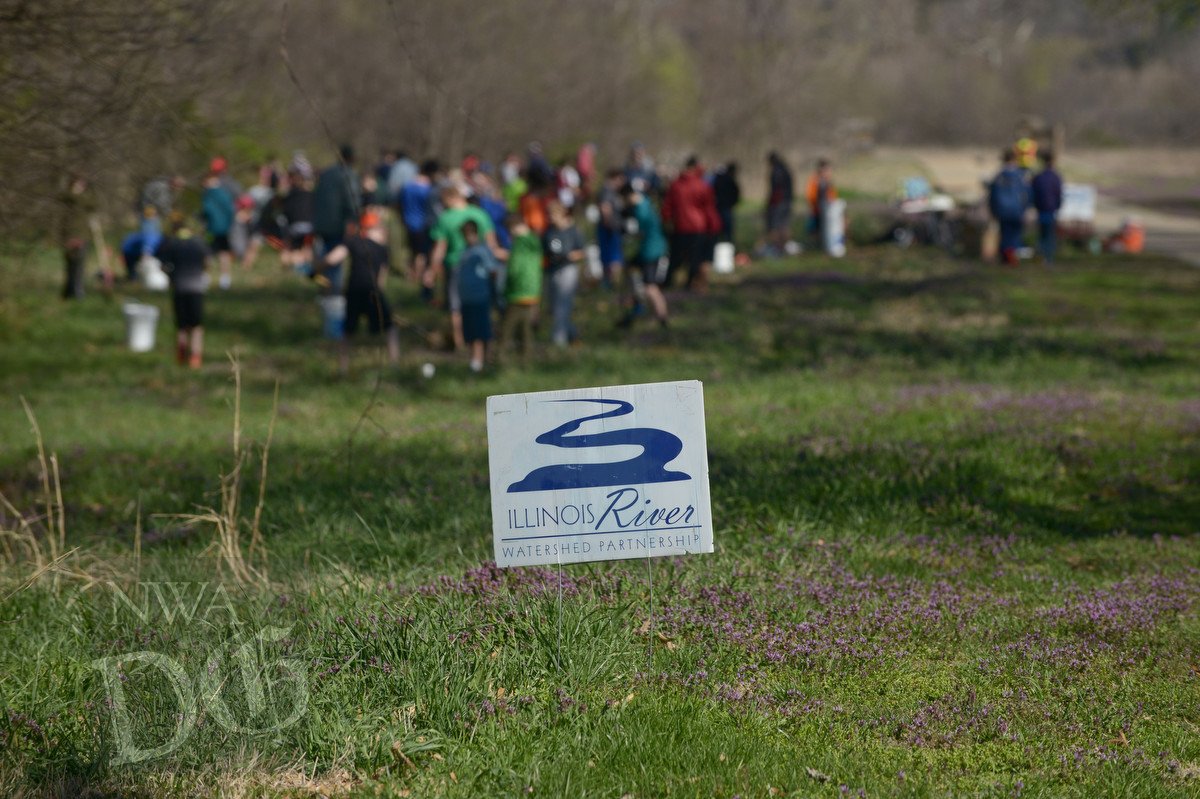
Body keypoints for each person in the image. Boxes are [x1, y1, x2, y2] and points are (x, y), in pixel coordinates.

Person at [323, 211, 400, 374]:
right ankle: (394, 364)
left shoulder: (353, 242)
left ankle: (342, 368)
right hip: (373, 292)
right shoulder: (382, 249)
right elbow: (381, 279)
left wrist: (316, 268)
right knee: (390, 328)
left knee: (348, 330)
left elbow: (332, 259)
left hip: (354, 290)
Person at [428, 185, 502, 351]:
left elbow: (440, 248)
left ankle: (461, 341)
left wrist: (432, 270)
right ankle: (484, 342)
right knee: (483, 304)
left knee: (456, 307)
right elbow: (492, 243)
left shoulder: (445, 218)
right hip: (482, 267)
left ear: (449, 198)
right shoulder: (480, 214)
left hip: (456, 266)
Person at [662, 156, 721, 291]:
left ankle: (668, 282)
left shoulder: (676, 185)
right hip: (698, 227)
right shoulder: (702, 185)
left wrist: (667, 221)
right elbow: (709, 209)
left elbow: (667, 206)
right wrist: (713, 226)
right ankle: (689, 284)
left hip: (680, 226)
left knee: (675, 257)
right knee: (695, 258)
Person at [155, 222, 209, 369]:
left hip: (179, 288)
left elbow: (162, 265)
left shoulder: (172, 244)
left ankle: (181, 355)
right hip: (197, 289)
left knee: (181, 325)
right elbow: (206, 263)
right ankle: (195, 357)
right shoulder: (199, 244)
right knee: (196, 325)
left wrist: (171, 276)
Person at [617, 183, 670, 331]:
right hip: (646, 250)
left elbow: (639, 232)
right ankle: (635, 310)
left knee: (650, 287)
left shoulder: (640, 210)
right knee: (633, 279)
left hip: (651, 252)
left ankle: (662, 317)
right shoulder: (644, 202)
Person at [312, 144, 360, 293]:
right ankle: (333, 290)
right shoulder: (348, 174)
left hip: (320, 222)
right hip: (338, 224)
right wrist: (354, 220)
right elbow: (352, 201)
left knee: (324, 254)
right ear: (351, 158)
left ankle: (323, 286)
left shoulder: (326, 173)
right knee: (335, 258)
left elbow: (316, 196)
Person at [457, 220, 502, 372]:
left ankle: (482, 361)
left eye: (468, 235)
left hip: (480, 297)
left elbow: (493, 271)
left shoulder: (483, 250)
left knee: (481, 330)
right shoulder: (464, 251)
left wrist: (494, 291)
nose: (466, 238)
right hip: (466, 297)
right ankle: (473, 360)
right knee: (469, 332)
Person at [500, 216, 542, 364]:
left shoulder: (524, 242)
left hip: (522, 291)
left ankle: (503, 359)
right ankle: (523, 359)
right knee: (522, 330)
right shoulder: (525, 243)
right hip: (523, 291)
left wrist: (524, 231)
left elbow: (515, 269)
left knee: (509, 329)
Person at [542, 201, 585, 348]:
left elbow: (581, 251)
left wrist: (570, 256)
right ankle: (573, 333)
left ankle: (559, 341)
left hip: (567, 269)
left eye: (552, 215)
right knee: (554, 307)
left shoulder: (573, 231)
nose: (550, 218)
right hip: (553, 270)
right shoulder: (549, 232)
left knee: (563, 306)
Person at [398, 159, 439, 300]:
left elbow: (400, 203)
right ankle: (418, 276)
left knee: (412, 250)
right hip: (422, 223)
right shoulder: (428, 189)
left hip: (408, 221)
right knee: (422, 252)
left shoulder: (408, 186)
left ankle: (410, 275)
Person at [988, 148, 1030, 266]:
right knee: (1015, 235)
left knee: (1005, 234)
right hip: (1017, 210)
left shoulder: (999, 177)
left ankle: (1006, 257)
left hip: (1002, 210)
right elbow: (1027, 194)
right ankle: (1011, 257)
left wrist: (993, 210)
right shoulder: (1021, 176)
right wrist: (1026, 209)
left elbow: (993, 195)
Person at [59, 174, 95, 300]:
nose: (80, 187)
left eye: (82, 185)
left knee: (79, 266)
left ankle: (77, 292)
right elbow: (67, 197)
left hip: (82, 237)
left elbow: (94, 204)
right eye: (78, 184)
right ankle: (68, 292)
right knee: (70, 266)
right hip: (69, 236)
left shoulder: (85, 200)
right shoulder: (68, 199)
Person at [200, 169, 235, 289]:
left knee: (207, 252)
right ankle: (225, 279)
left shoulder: (208, 195)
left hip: (211, 229)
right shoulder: (224, 194)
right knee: (224, 253)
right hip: (224, 229)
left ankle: (206, 277)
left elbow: (206, 211)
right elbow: (231, 211)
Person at [1030, 151, 1063, 264]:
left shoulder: (1038, 177)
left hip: (1041, 210)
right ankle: (1048, 258)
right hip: (1051, 209)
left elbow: (1033, 193)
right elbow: (1058, 193)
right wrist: (1058, 206)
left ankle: (1042, 256)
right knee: (1049, 235)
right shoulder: (1055, 177)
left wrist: (1035, 205)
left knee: (1042, 234)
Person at [596, 169, 627, 288]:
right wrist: (609, 224)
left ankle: (610, 283)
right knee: (613, 259)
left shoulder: (610, 191)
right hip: (609, 230)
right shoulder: (607, 191)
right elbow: (605, 208)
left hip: (611, 229)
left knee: (612, 258)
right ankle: (612, 284)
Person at [764, 151, 794, 255]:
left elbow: (776, 190)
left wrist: (770, 204)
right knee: (784, 225)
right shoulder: (785, 169)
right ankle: (784, 247)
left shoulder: (777, 171)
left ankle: (778, 248)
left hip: (779, 203)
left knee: (776, 226)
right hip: (787, 201)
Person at [805, 158, 837, 246]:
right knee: (814, 230)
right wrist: (815, 206)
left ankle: (823, 246)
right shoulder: (815, 181)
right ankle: (814, 247)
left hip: (827, 211)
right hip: (817, 211)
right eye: (827, 170)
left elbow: (832, 196)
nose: (829, 172)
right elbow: (810, 196)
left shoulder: (828, 182)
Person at [712, 162, 741, 244]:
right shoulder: (729, 180)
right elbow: (735, 192)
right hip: (725, 207)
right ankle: (727, 244)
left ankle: (721, 244)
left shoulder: (719, 179)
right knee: (727, 230)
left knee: (720, 229)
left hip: (720, 206)